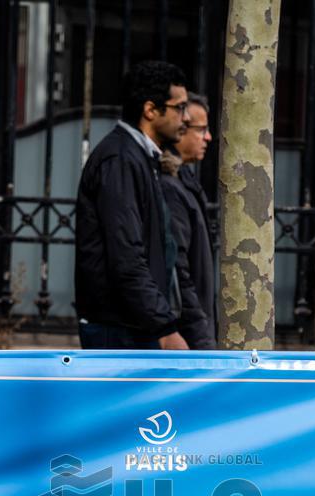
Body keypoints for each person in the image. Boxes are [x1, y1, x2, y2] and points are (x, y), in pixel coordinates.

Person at [75, 61, 190, 350]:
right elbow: (126, 255)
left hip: (132, 323)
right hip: (120, 329)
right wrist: (164, 328)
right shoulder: (120, 160)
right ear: (150, 110)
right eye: (179, 108)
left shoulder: (138, 157)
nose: (186, 118)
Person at [160, 93, 216, 349]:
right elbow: (179, 270)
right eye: (201, 129)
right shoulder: (171, 188)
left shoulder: (183, 181)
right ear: (180, 129)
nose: (208, 137)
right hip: (186, 334)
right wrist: (201, 338)